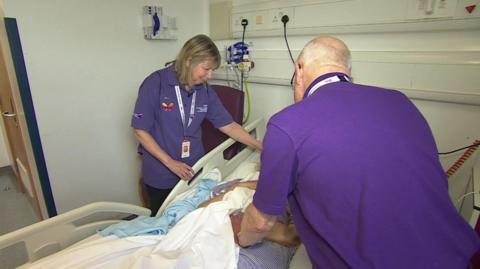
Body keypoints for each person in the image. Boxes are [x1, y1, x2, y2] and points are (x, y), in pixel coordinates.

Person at [237, 35, 480, 268]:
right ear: (347, 72)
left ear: (299, 70)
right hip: (455, 256)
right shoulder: (400, 102)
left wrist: (241, 237)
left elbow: (259, 223)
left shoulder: (288, 123)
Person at [131, 34, 262, 216]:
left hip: (195, 169)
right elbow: (140, 130)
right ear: (189, 60)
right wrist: (170, 163)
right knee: (163, 222)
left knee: (192, 219)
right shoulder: (156, 84)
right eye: (206, 69)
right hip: (162, 171)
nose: (210, 76)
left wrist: (261, 146)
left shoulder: (204, 91)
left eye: (212, 70)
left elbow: (229, 125)